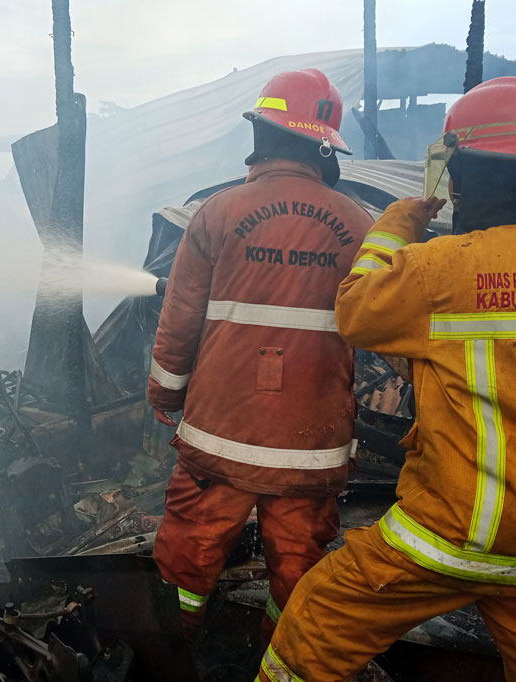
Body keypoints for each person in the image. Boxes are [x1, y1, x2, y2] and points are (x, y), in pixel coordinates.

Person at [259, 76, 516, 682]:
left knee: (321, 617)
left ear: (467, 178)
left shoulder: (441, 268)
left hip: (453, 533)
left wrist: (392, 230)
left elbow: (355, 311)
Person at [147, 68, 373, 642]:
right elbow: (378, 330)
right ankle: (279, 661)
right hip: (310, 445)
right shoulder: (357, 225)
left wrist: (165, 393)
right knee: (300, 571)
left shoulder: (218, 212)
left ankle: (174, 652)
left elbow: (179, 321)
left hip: (221, 433)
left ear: (261, 134)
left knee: (188, 559)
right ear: (325, 147)